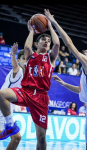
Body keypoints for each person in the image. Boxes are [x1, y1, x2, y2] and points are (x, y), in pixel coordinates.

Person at [45, 8, 87, 150]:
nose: (85, 51)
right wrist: (64, 83)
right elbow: (81, 90)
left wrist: (54, 22)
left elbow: (69, 43)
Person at [0, 13, 60, 150]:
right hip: (25, 91)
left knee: (41, 137)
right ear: (36, 43)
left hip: (41, 96)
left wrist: (50, 26)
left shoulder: (50, 58)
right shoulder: (30, 56)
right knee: (1, 94)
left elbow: (57, 43)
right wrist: (32, 31)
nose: (46, 41)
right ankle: (10, 125)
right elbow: (26, 48)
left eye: (48, 41)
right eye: (43, 39)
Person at [0, 44, 25, 150]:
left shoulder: (29, 75)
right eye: (24, 58)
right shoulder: (19, 70)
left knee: (16, 138)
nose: (27, 60)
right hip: (1, 110)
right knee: (16, 137)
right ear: (19, 61)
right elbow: (15, 65)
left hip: (8, 112)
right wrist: (13, 55)